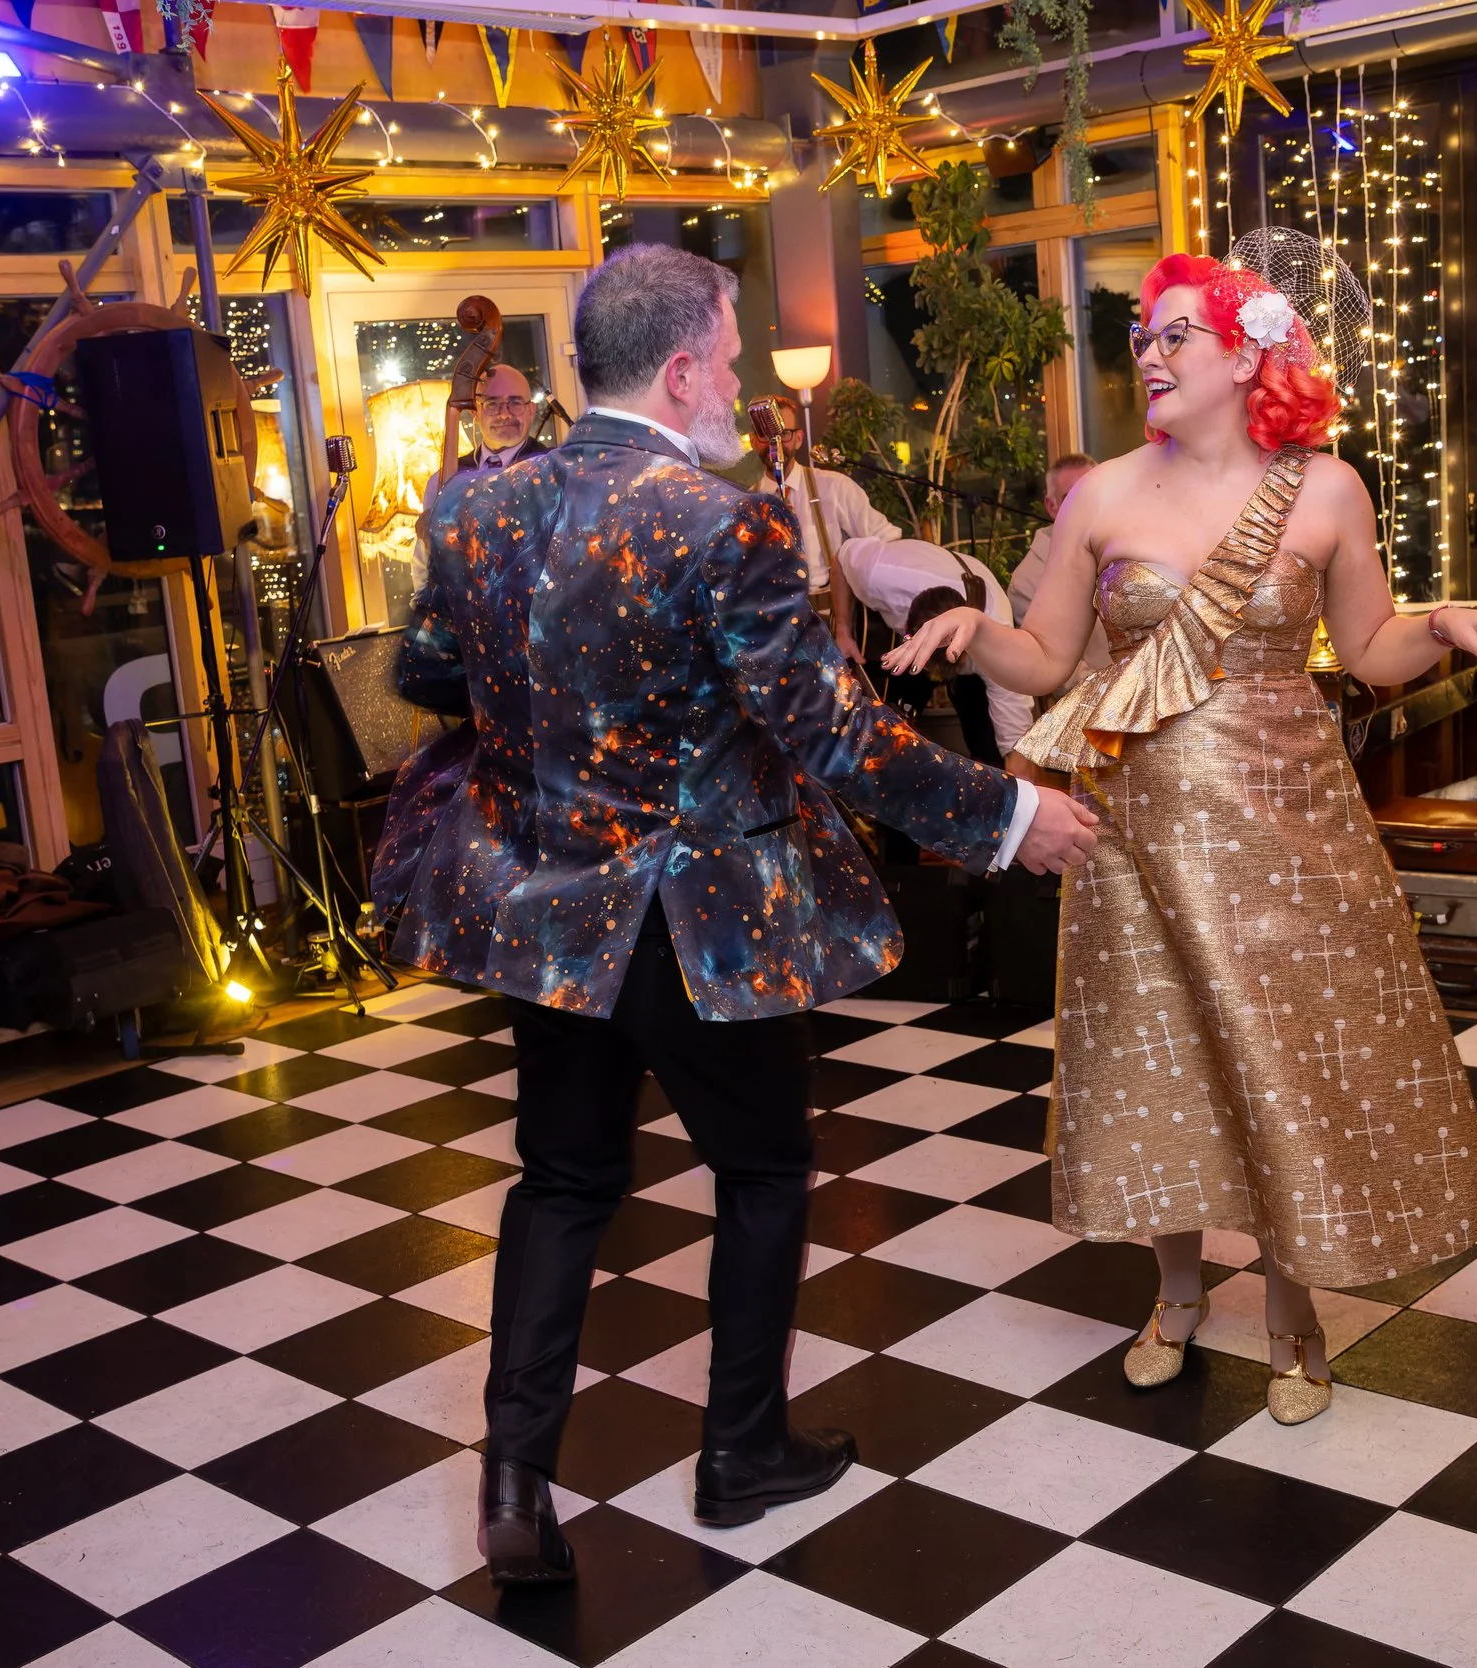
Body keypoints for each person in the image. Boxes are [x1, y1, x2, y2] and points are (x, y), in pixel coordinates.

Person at [391, 243, 1099, 1584]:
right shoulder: (720, 523)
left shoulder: (475, 510)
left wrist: (559, 710)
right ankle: (740, 1453)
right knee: (765, 1170)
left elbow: (429, 670)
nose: (736, 382)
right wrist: (1011, 817)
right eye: (725, 357)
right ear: (677, 370)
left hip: (548, 917)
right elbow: (834, 735)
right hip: (697, 918)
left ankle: (514, 1484)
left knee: (562, 1183)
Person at [887, 252, 1477, 1424]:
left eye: (1173, 333)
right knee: (1158, 1064)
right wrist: (974, 631)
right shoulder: (1102, 495)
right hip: (1135, 828)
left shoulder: (1324, 489)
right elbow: (1046, 658)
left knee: (1280, 1063)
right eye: (1143, 334)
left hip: (1286, 826)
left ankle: (1291, 1316)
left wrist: (1445, 622)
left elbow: (1369, 649)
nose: (1148, 352)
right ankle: (1176, 1297)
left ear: (1246, 355)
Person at [838, 534, 1032, 763]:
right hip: (894, 641)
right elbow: (840, 558)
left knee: (987, 739)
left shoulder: (999, 644)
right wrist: (843, 627)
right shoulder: (880, 574)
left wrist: (1018, 768)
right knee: (888, 722)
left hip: (980, 657)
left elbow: (1015, 734)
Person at [752, 407, 902, 664]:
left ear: (798, 438)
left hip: (837, 622)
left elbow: (888, 541)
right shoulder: (747, 504)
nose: (774, 443)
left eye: (783, 434)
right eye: (765, 435)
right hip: (779, 632)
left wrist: (860, 604)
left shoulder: (834, 486)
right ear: (754, 441)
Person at [1011, 455, 1112, 690]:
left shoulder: (1126, 545)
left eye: (1094, 493)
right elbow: (1054, 669)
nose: (1088, 506)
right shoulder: (1026, 581)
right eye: (1073, 498)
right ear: (1051, 506)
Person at [423, 362, 551, 507]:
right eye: (492, 404)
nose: (504, 415)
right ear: (475, 413)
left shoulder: (554, 470)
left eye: (515, 403)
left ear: (531, 411)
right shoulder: (444, 480)